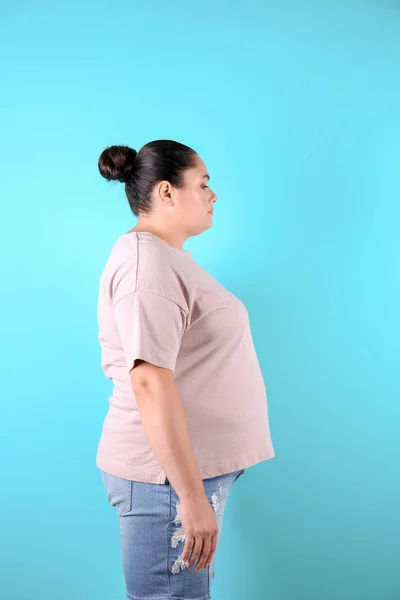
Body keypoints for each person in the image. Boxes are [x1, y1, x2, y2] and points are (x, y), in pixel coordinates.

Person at [96, 140, 275, 600]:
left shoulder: (164, 259)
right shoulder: (147, 265)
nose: (213, 195)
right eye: (203, 183)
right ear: (167, 193)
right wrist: (191, 498)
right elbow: (150, 381)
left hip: (177, 480)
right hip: (167, 483)